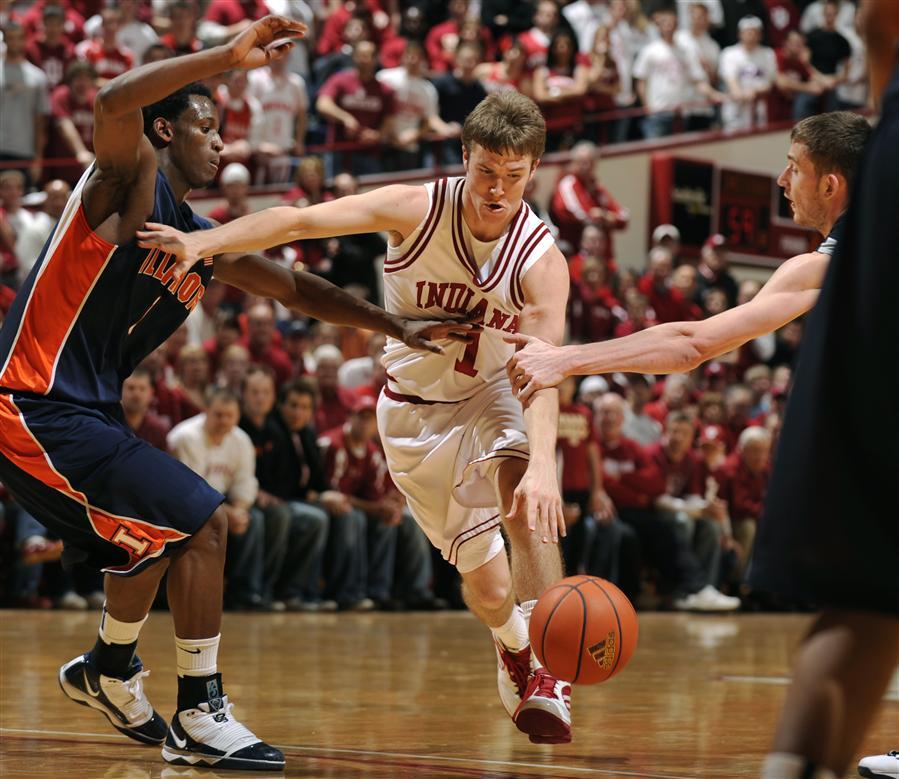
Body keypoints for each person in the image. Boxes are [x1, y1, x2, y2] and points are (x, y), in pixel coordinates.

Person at [0, 15, 472, 772]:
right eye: (206, 127)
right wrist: (225, 55)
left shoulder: (199, 239)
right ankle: (199, 710)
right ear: (164, 130)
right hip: (31, 401)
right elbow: (114, 100)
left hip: (84, 413)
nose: (222, 143)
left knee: (155, 533)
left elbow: (295, 286)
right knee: (202, 521)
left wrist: (394, 324)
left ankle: (108, 667)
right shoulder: (125, 179)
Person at [137, 90, 576, 744]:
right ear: (464, 156)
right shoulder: (416, 208)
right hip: (414, 414)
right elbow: (297, 221)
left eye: (513, 176)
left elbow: (544, 370)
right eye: (486, 170)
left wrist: (542, 465)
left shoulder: (541, 260)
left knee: (524, 490)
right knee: (487, 588)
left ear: (534, 171)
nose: (496, 189)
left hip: (493, 394)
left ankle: (548, 668)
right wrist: (207, 242)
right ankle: (511, 641)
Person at [505, 110, 870, 403]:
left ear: (829, 186)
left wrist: (565, 359)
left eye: (795, 168)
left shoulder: (818, 269)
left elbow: (691, 345)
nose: (782, 179)